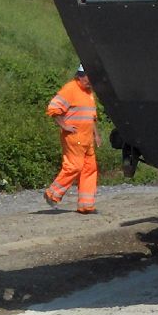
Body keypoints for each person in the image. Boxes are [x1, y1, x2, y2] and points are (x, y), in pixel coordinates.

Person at [44, 65, 99, 214]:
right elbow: (53, 109)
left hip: (87, 139)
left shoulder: (88, 92)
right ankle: (52, 193)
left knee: (90, 169)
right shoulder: (70, 89)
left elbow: (91, 117)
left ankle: (86, 205)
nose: (90, 81)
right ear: (80, 76)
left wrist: (96, 135)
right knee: (74, 167)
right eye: (88, 77)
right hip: (75, 138)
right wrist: (64, 126)